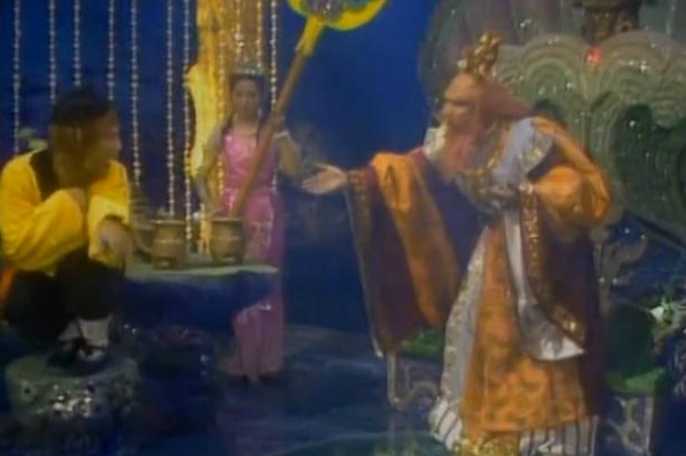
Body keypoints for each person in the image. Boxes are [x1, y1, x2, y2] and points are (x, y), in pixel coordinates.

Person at [303, 33, 610, 455]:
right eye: (446, 103)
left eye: (460, 104)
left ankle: (533, 437)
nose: (448, 112)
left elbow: (581, 186)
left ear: (483, 107)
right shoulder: (454, 143)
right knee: (484, 337)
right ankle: (487, 431)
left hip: (538, 261)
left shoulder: (530, 137)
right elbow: (407, 170)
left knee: (531, 347)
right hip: (494, 252)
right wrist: (353, 180)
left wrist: (529, 197)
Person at [0, 87, 133, 372]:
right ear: (79, 140)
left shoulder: (112, 172)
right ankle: (67, 334)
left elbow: (109, 225)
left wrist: (107, 222)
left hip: (89, 291)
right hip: (38, 296)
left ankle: (94, 335)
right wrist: (70, 203)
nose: (118, 147)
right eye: (110, 137)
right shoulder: (19, 174)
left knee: (93, 261)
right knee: (23, 294)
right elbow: (19, 248)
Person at [196, 62, 301, 385]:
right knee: (237, 282)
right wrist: (213, 207)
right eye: (239, 94)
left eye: (251, 94)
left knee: (265, 282)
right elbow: (200, 175)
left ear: (261, 97)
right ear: (231, 96)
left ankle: (267, 360)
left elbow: (294, 170)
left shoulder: (271, 130)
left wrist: (283, 136)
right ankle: (242, 358)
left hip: (266, 211)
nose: (245, 100)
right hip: (233, 213)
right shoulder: (223, 131)